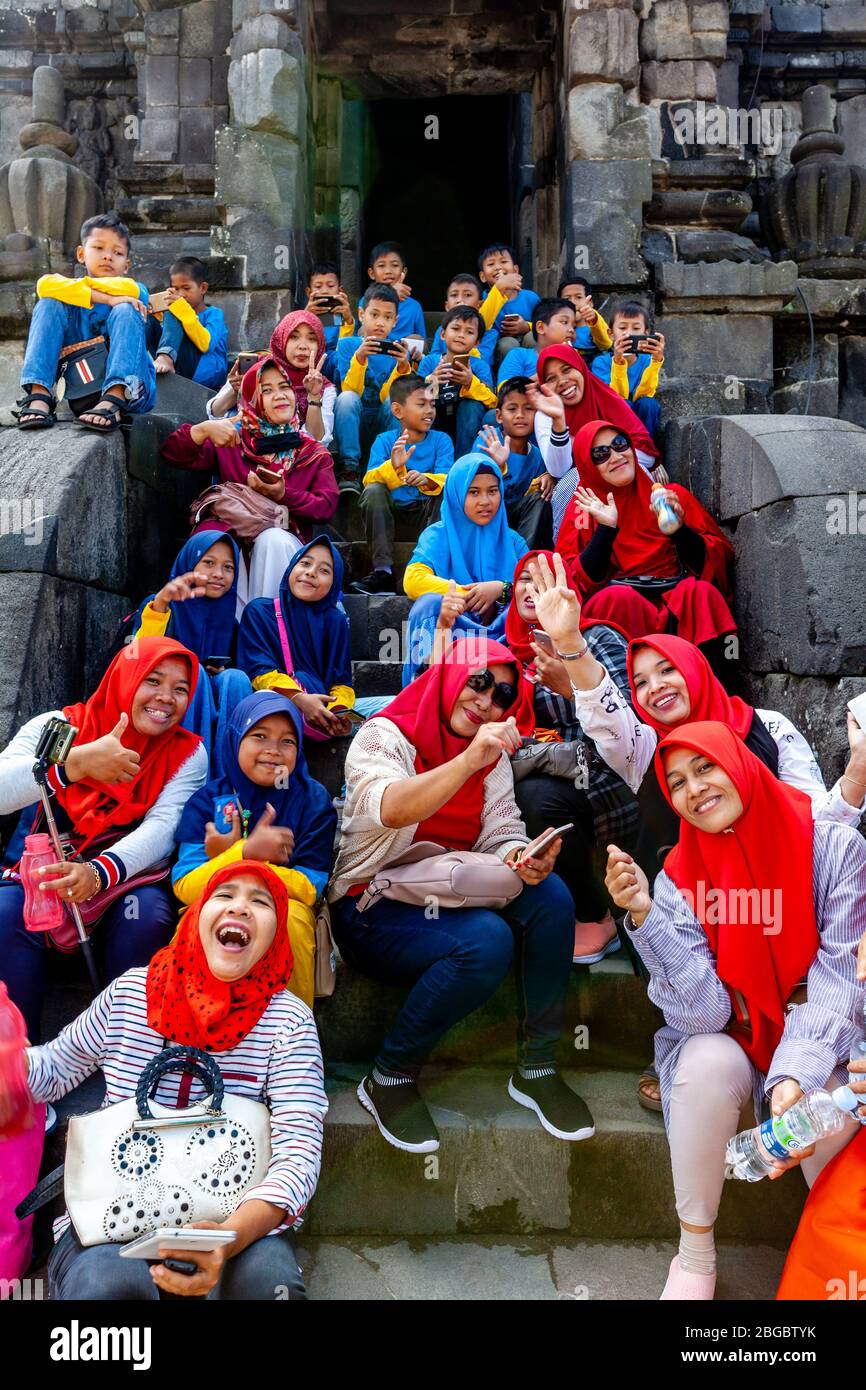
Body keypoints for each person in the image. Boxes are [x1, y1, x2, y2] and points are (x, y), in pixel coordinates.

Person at [605, 722, 866, 1300]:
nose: (693, 789)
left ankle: (834, 1260)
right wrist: (647, 914)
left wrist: (792, 1076)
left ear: (741, 766)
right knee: (702, 1059)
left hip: (821, 1042)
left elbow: (838, 986)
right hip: (735, 1041)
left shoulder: (834, 848)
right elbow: (701, 1013)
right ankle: (695, 1256)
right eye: (676, 782)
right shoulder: (678, 876)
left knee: (828, 1092)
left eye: (705, 768)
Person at [328, 637, 594, 1152]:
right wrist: (468, 761)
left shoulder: (490, 758)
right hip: (371, 905)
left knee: (554, 898)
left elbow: (500, 831)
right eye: (478, 682)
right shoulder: (384, 736)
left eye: (502, 695)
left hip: (452, 887)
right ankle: (390, 1076)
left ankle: (537, 1066)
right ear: (451, 676)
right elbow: (390, 808)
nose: (487, 701)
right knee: (487, 940)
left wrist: (524, 856)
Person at [25, 862, 327, 1301]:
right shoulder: (130, 993)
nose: (240, 907)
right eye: (224, 896)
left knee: (269, 1288)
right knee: (104, 1288)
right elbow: (50, 1072)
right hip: (113, 1213)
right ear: (196, 916)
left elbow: (298, 1153)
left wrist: (228, 1238)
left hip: (235, 1217)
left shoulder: (288, 1022)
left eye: (261, 901)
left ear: (276, 936)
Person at [0, 637, 207, 1040]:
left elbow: (163, 828)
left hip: (120, 885)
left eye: (181, 689)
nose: (166, 698)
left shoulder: (187, 752)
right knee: (4, 913)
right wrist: (74, 764)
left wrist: (97, 873)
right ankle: (19, 1066)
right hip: (43, 877)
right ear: (124, 677)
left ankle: (125, 1053)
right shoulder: (57, 728)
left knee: (145, 915)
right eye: (153, 680)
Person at [502, 550, 639, 963]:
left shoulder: (594, 640)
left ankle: (593, 913)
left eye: (544, 579)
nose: (532, 588)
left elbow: (631, 719)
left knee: (536, 795)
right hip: (531, 765)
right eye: (524, 579)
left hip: (603, 772)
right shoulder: (504, 653)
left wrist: (570, 687)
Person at [173, 693, 336, 1007]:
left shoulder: (314, 801)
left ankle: (293, 1039)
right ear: (235, 739)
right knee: (194, 919)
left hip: (282, 907)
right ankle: (188, 1036)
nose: (273, 751)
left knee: (292, 922)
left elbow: (309, 890)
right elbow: (184, 886)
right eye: (259, 736)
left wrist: (234, 860)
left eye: (288, 741)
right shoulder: (208, 799)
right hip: (215, 902)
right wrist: (245, 851)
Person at [160, 357, 339, 605]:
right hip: (235, 541)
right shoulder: (233, 440)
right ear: (252, 398)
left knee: (272, 539)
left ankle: (267, 633)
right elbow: (172, 454)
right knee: (215, 543)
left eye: (284, 386)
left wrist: (282, 495)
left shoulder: (312, 452)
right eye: (266, 389)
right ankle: (221, 633)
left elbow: (326, 505)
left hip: (282, 543)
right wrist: (201, 431)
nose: (279, 395)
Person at [555, 420, 735, 656]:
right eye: (601, 454)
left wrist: (679, 531)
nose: (616, 456)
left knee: (701, 593)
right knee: (619, 598)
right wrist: (606, 530)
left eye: (620, 445)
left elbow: (718, 561)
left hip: (674, 594)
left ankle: (712, 689)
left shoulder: (671, 496)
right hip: (621, 600)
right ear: (589, 466)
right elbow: (571, 581)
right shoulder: (582, 512)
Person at [15, 211, 159, 433]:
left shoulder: (135, 289)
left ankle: (115, 396)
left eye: (117, 252)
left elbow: (128, 290)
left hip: (133, 389)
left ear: (127, 265)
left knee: (125, 308)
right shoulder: (69, 294)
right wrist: (108, 298)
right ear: (81, 254)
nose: (108, 256)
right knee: (49, 304)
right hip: (82, 387)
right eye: (98, 248)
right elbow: (44, 285)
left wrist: (110, 299)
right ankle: (39, 393)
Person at [131, 532, 253, 775]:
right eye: (209, 563)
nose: (219, 573)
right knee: (192, 672)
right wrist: (160, 605)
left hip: (211, 698)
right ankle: (190, 775)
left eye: (228, 567)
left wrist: (221, 672)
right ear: (189, 564)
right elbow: (138, 656)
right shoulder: (161, 604)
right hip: (164, 697)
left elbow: (243, 666)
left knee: (236, 679)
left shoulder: (231, 619)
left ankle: (230, 778)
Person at [402, 454, 529, 683]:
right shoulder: (438, 535)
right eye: (474, 492)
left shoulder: (513, 541)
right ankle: (426, 688)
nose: (485, 501)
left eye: (492, 491)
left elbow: (534, 586)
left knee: (522, 607)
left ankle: (517, 687)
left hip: (502, 633)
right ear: (456, 493)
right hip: (453, 628)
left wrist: (500, 589)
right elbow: (412, 580)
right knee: (428, 605)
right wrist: (466, 594)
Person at [237, 536, 356, 740]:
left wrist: (337, 710)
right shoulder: (260, 611)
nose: (311, 572)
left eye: (324, 570)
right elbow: (257, 670)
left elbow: (342, 681)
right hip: (274, 705)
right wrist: (299, 698)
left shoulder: (335, 621)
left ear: (333, 584)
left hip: (322, 709)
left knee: (388, 711)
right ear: (291, 567)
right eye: (305, 563)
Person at [350, 374, 453, 596]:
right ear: (397, 411)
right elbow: (368, 480)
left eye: (432, 405)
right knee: (373, 491)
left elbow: (448, 478)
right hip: (392, 516)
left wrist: (427, 480)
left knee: (447, 493)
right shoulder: (386, 441)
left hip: (426, 514)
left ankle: (432, 565)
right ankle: (383, 572)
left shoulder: (441, 440)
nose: (429, 411)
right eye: (421, 404)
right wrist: (393, 467)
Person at [473, 377, 572, 548]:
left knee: (540, 499)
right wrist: (498, 466)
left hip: (521, 522)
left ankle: (524, 561)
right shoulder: (488, 441)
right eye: (512, 408)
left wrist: (550, 477)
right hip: (487, 518)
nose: (520, 415)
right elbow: (474, 491)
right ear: (498, 415)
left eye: (528, 408)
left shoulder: (538, 456)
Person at [333, 285, 413, 493]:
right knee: (347, 398)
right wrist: (360, 358)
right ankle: (349, 468)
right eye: (374, 314)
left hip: (381, 423)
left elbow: (390, 396)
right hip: (354, 425)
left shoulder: (397, 352)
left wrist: (403, 368)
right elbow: (351, 391)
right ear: (361, 314)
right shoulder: (348, 345)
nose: (380, 322)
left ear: (395, 321)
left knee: (395, 403)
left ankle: (388, 463)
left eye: (387, 317)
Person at [417, 306, 497, 457]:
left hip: (467, 423)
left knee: (471, 405)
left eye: (469, 332)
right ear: (442, 334)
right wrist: (433, 380)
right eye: (456, 328)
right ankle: (428, 460)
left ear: (477, 342)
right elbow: (415, 397)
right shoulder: (429, 362)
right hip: (436, 418)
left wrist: (470, 382)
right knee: (424, 404)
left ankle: (464, 462)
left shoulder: (479, 366)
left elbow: (492, 401)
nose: (461, 335)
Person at [147, 256, 229, 391]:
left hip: (202, 373)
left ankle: (166, 357)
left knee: (174, 309)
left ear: (202, 288)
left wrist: (182, 309)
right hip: (178, 365)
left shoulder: (214, 314)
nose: (181, 294)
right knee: (144, 317)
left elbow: (207, 345)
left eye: (186, 288)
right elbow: (171, 337)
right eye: (176, 289)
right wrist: (157, 320)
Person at [592, 301, 666, 446]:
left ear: (646, 333)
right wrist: (619, 362)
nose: (629, 333)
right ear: (611, 333)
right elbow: (616, 398)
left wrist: (656, 360)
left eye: (636, 328)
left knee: (648, 404)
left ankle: (648, 451)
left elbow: (645, 394)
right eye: (622, 327)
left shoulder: (646, 360)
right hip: (614, 422)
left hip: (641, 418)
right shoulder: (600, 363)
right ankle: (622, 449)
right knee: (624, 404)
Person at [269, 309, 336, 446]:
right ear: (281, 339)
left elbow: (317, 441)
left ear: (320, 345)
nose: (303, 346)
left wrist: (314, 396)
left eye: (311, 339)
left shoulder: (324, 387)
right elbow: (216, 413)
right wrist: (234, 391)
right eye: (294, 337)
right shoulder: (261, 370)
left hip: (302, 456)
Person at [496, 297, 577, 388]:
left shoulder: (575, 358)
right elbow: (505, 391)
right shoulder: (519, 355)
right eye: (564, 322)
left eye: (574, 326)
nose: (571, 330)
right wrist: (546, 375)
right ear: (541, 328)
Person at [476, 243, 539, 360]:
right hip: (499, 348)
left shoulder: (530, 297)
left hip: (528, 342)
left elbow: (544, 324)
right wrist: (498, 289)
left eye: (503, 262)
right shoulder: (482, 299)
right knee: (508, 344)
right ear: (482, 276)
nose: (498, 267)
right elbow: (481, 324)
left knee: (533, 337)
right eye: (491, 264)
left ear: (515, 270)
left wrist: (527, 326)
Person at [302, 260, 355, 384]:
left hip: (333, 361)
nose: (325, 291)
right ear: (309, 292)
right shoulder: (304, 314)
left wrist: (348, 320)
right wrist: (305, 315)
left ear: (340, 290)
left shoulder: (342, 314)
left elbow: (344, 346)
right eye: (318, 286)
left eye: (330, 286)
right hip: (307, 359)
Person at [429, 274, 498, 368]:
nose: (460, 300)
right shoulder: (442, 329)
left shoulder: (489, 333)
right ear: (447, 306)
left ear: (480, 304)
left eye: (468, 295)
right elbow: (434, 356)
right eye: (454, 295)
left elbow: (482, 361)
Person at [366, 240, 426, 342]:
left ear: (404, 271)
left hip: (402, 354)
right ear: (371, 273)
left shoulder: (414, 306)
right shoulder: (367, 301)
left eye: (394, 265)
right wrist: (391, 293)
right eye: (381, 266)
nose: (388, 271)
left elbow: (422, 342)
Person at [558, 277, 612, 355]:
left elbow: (606, 344)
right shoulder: (555, 325)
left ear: (590, 303)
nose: (573, 303)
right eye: (567, 299)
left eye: (579, 297)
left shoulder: (595, 324)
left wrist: (594, 319)